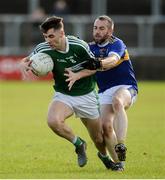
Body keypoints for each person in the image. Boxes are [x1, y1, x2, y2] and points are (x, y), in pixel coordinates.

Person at [19, 16, 121, 170]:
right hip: (64, 94)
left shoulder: (79, 46)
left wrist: (77, 75)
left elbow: (95, 66)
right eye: (45, 37)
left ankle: (105, 157)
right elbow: (27, 59)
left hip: (87, 95)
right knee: (53, 121)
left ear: (62, 33)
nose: (48, 40)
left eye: (51, 36)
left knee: (99, 138)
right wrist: (23, 64)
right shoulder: (43, 48)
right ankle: (79, 144)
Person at [65, 15, 138, 170]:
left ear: (110, 30)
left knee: (117, 101)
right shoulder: (90, 48)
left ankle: (121, 144)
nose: (97, 31)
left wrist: (98, 63)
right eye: (95, 28)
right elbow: (85, 67)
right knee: (105, 127)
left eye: (101, 28)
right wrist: (75, 72)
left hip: (125, 87)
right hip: (104, 92)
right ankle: (119, 163)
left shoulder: (117, 43)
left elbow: (112, 60)